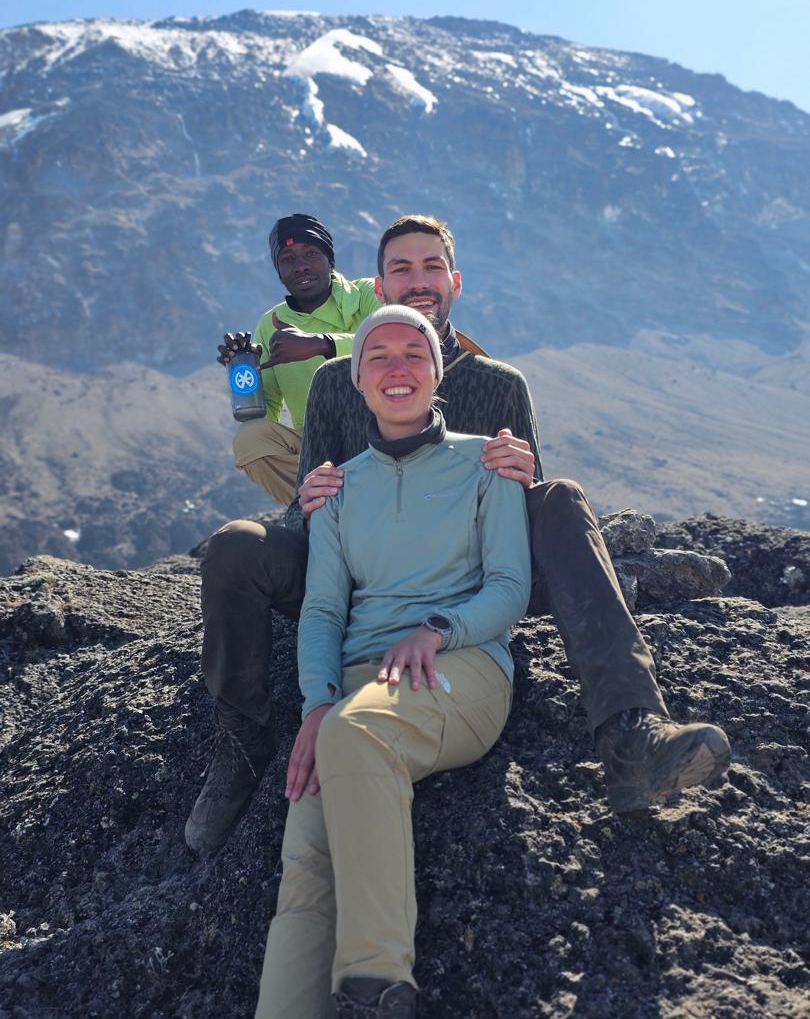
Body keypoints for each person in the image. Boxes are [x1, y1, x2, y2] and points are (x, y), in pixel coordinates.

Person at [185, 213, 730, 856]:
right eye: (400, 268)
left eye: (431, 266)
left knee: (560, 500)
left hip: (470, 584)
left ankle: (632, 734)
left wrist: (525, 480)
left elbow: (521, 529)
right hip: (366, 580)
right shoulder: (338, 383)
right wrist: (308, 502)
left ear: (456, 282)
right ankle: (242, 745)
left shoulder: (499, 384)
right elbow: (313, 515)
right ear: (378, 288)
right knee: (238, 545)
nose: (418, 281)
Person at [254, 305, 532, 1018]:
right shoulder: (339, 487)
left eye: (415, 352)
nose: (397, 367)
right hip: (353, 691)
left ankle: (375, 988)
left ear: (439, 373)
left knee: (357, 732)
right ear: (356, 378)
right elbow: (322, 612)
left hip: (459, 667)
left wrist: (439, 627)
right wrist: (317, 704)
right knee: (306, 867)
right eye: (379, 355)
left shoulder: (488, 461)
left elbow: (509, 586)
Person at [219, 213, 380, 505]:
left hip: (382, 431)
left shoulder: (368, 294)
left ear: (330, 259)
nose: (301, 266)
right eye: (288, 259)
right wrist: (243, 373)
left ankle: (337, 499)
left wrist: (321, 344)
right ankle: (330, 501)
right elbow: (262, 415)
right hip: (318, 448)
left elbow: (398, 343)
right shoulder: (271, 324)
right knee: (250, 438)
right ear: (278, 271)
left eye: (311, 254)